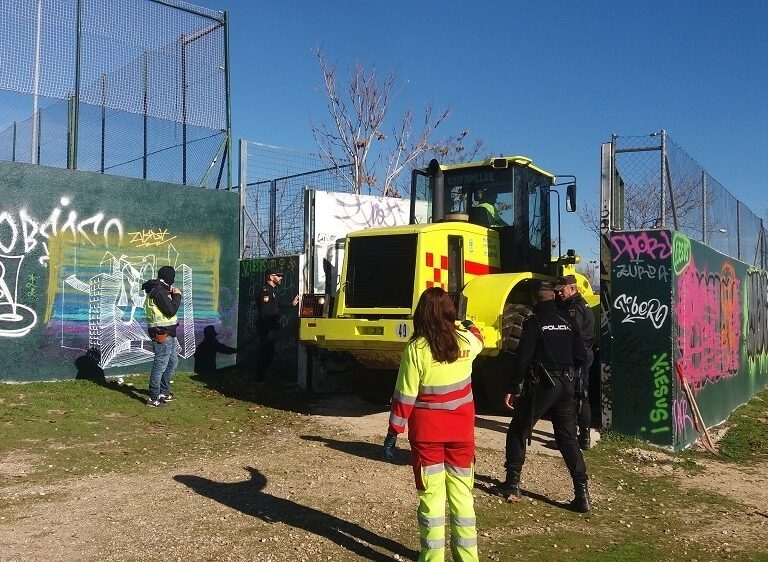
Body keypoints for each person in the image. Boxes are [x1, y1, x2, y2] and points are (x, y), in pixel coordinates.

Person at [383, 287, 484, 562]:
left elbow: (404, 395)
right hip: (462, 434)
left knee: (431, 501)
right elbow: (479, 337)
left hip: (427, 436)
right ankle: (468, 557)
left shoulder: (416, 349)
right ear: (450, 312)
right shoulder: (465, 341)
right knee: (463, 497)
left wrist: (394, 430)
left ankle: (432, 557)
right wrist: (465, 322)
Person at [498, 279, 590, 512]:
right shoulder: (567, 320)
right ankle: (582, 493)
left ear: (535, 298)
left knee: (519, 429)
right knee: (567, 437)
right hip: (568, 384)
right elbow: (580, 354)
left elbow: (523, 358)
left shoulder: (533, 321)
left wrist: (512, 386)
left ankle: (512, 485)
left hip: (543, 384)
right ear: (553, 296)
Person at [555, 273, 595, 450]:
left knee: (576, 396)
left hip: (577, 357)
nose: (559, 294)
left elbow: (571, 334)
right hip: (583, 355)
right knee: (580, 394)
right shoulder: (579, 304)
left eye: (562, 290)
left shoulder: (574, 308)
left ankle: (576, 439)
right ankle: (581, 437)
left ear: (573, 288)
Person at [141, 265, 181, 407]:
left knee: (172, 362)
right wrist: (177, 296)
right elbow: (170, 310)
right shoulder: (158, 291)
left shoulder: (160, 289)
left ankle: (164, 391)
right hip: (161, 333)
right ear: (169, 278)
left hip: (168, 332)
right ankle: (153, 397)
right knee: (160, 365)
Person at [255, 267, 299, 387]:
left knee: (269, 353)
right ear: (270, 277)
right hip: (266, 328)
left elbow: (278, 303)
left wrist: (292, 304)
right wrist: (269, 330)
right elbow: (266, 313)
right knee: (265, 353)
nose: (281, 278)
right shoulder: (266, 292)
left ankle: (263, 378)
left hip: (271, 327)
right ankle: (259, 379)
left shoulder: (273, 291)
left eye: (281, 276)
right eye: (278, 276)